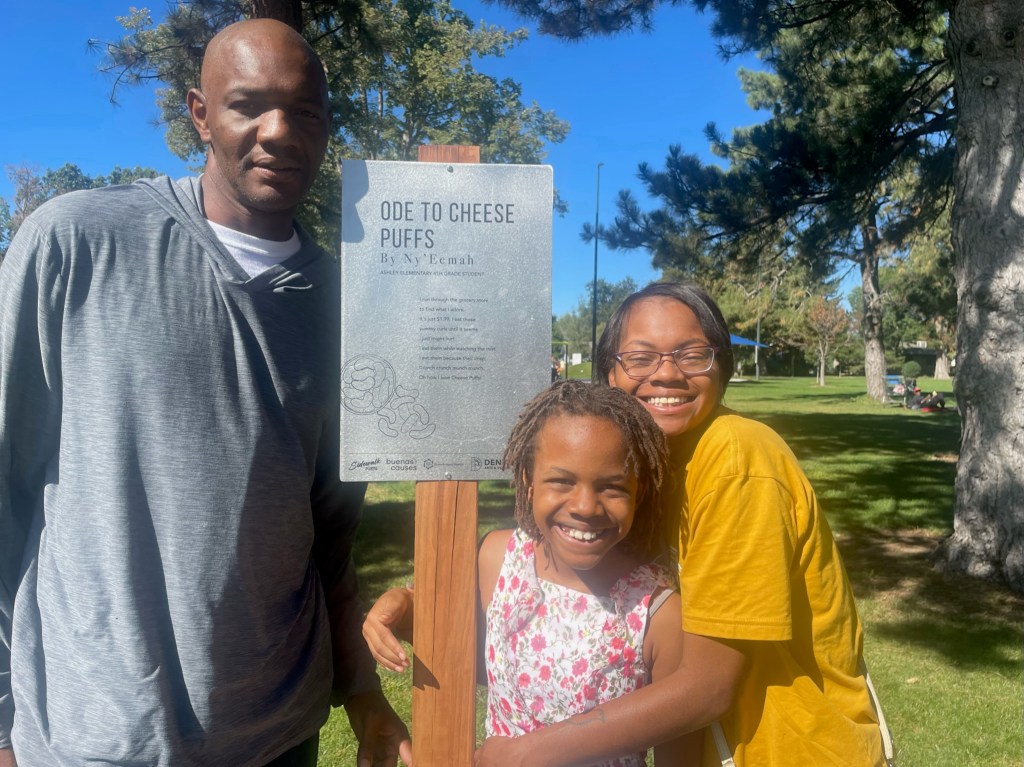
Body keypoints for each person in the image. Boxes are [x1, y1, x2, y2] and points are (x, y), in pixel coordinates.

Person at [0, 19, 410, 767]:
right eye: (248, 104)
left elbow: (331, 535)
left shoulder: (347, 305)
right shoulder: (76, 241)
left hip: (279, 734)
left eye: (305, 111)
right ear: (199, 112)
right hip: (94, 736)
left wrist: (366, 698)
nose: (279, 131)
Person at [474, 282, 888, 767]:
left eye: (693, 355)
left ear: (721, 366)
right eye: (641, 358)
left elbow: (708, 687)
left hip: (788, 748)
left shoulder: (736, 459)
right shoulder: (651, 464)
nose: (667, 374)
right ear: (610, 372)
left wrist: (528, 752)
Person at [363, 380, 704, 766]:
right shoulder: (498, 559)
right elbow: (463, 648)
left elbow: (682, 754)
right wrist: (404, 604)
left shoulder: (657, 616)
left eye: (612, 487)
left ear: (639, 493)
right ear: (527, 482)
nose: (586, 507)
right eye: (561, 481)